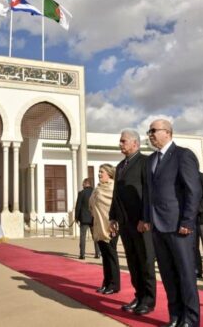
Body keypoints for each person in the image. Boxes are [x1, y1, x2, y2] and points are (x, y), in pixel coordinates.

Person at [141, 119, 202, 327]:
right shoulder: (150, 160)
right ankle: (175, 316)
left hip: (179, 227)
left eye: (153, 131)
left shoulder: (183, 155)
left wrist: (187, 220)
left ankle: (191, 320)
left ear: (167, 132)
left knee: (186, 275)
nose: (150, 134)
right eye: (149, 131)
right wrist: (147, 219)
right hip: (158, 227)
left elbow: (193, 191)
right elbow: (149, 194)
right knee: (167, 275)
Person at [109, 129, 156, 316]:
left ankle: (149, 300)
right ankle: (139, 295)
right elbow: (116, 195)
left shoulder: (146, 162)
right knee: (133, 261)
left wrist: (146, 218)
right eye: (120, 141)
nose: (120, 144)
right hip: (125, 223)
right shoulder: (120, 166)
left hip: (141, 223)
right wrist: (113, 216)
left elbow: (150, 193)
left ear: (135, 143)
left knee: (145, 261)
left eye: (123, 141)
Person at [89, 164, 120, 294]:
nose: (99, 174)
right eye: (99, 171)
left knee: (111, 255)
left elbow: (117, 206)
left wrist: (115, 222)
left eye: (102, 172)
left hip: (110, 226)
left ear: (109, 173)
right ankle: (106, 282)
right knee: (105, 256)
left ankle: (114, 285)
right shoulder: (97, 188)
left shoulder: (113, 188)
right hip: (99, 225)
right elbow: (91, 204)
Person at [75, 178, 100, 260]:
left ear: (86, 183)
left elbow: (78, 206)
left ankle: (82, 254)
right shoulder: (95, 192)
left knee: (83, 237)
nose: (82, 185)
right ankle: (98, 253)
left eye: (83, 183)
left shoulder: (81, 193)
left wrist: (76, 217)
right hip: (94, 218)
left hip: (84, 218)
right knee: (95, 236)